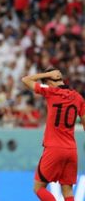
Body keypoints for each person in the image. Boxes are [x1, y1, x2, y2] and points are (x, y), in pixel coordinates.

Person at [22, 68, 85, 201]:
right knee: (67, 190)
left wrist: (47, 74)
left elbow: (26, 80)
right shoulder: (79, 98)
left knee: (38, 188)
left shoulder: (51, 92)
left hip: (54, 148)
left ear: (48, 82)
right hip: (71, 150)